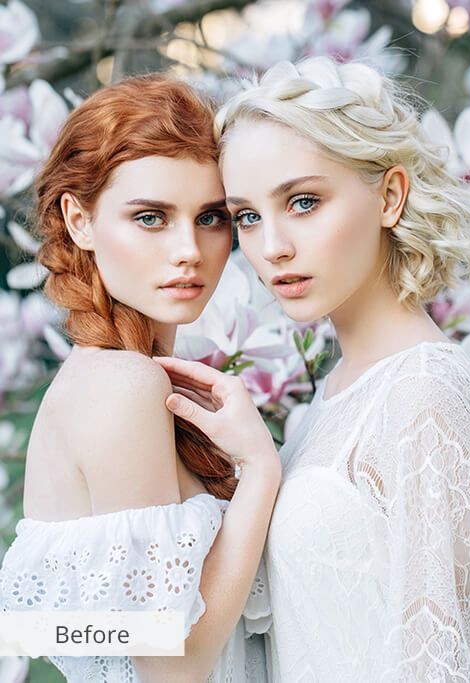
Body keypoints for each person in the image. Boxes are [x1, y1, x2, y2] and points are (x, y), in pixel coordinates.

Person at [157, 56, 470, 681]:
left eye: (303, 201)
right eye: (247, 216)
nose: (272, 247)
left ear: (390, 196)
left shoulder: (423, 395)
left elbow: (437, 666)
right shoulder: (335, 394)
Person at [0, 76, 278, 682]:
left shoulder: (114, 378)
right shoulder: (122, 387)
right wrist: (259, 472)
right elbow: (167, 666)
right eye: (151, 217)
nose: (189, 250)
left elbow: (50, 628)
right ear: (79, 221)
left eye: (210, 217)